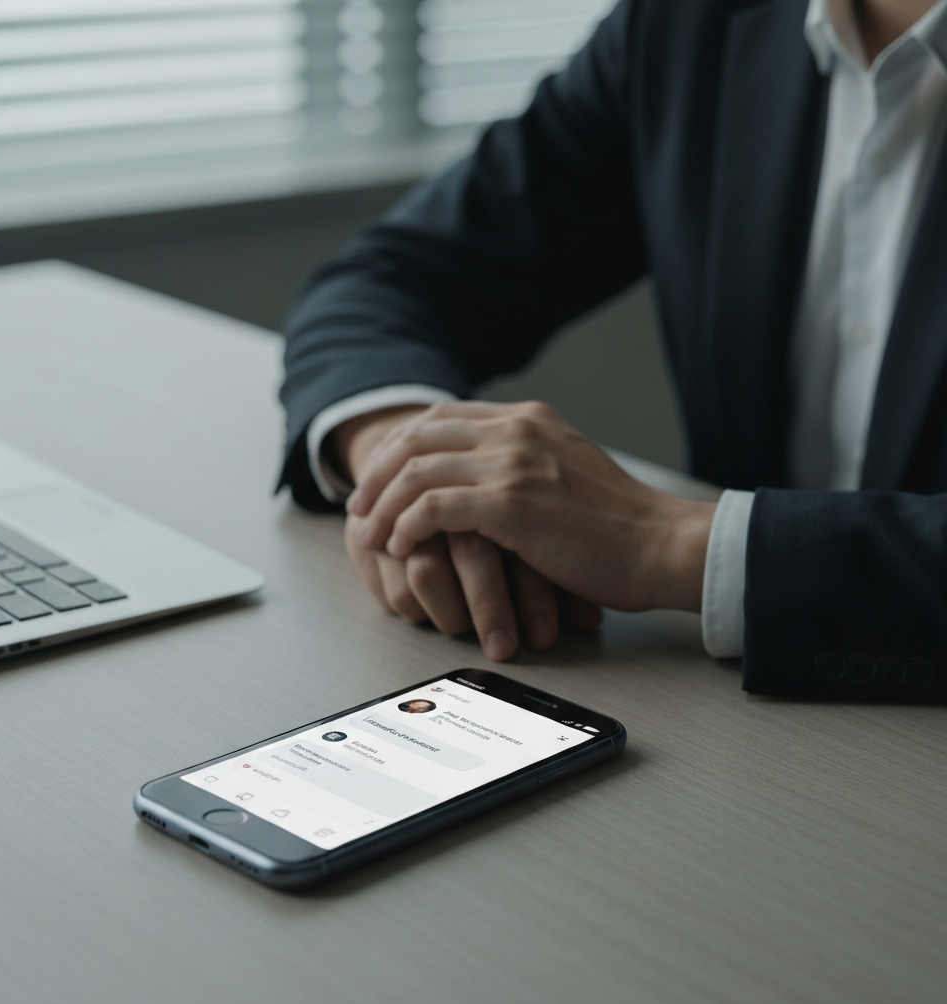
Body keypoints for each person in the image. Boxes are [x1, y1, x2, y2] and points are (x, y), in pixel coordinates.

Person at [280, 0, 947, 698]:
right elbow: (388, 281)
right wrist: (413, 466)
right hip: (720, 711)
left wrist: (665, 543)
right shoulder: (688, 23)